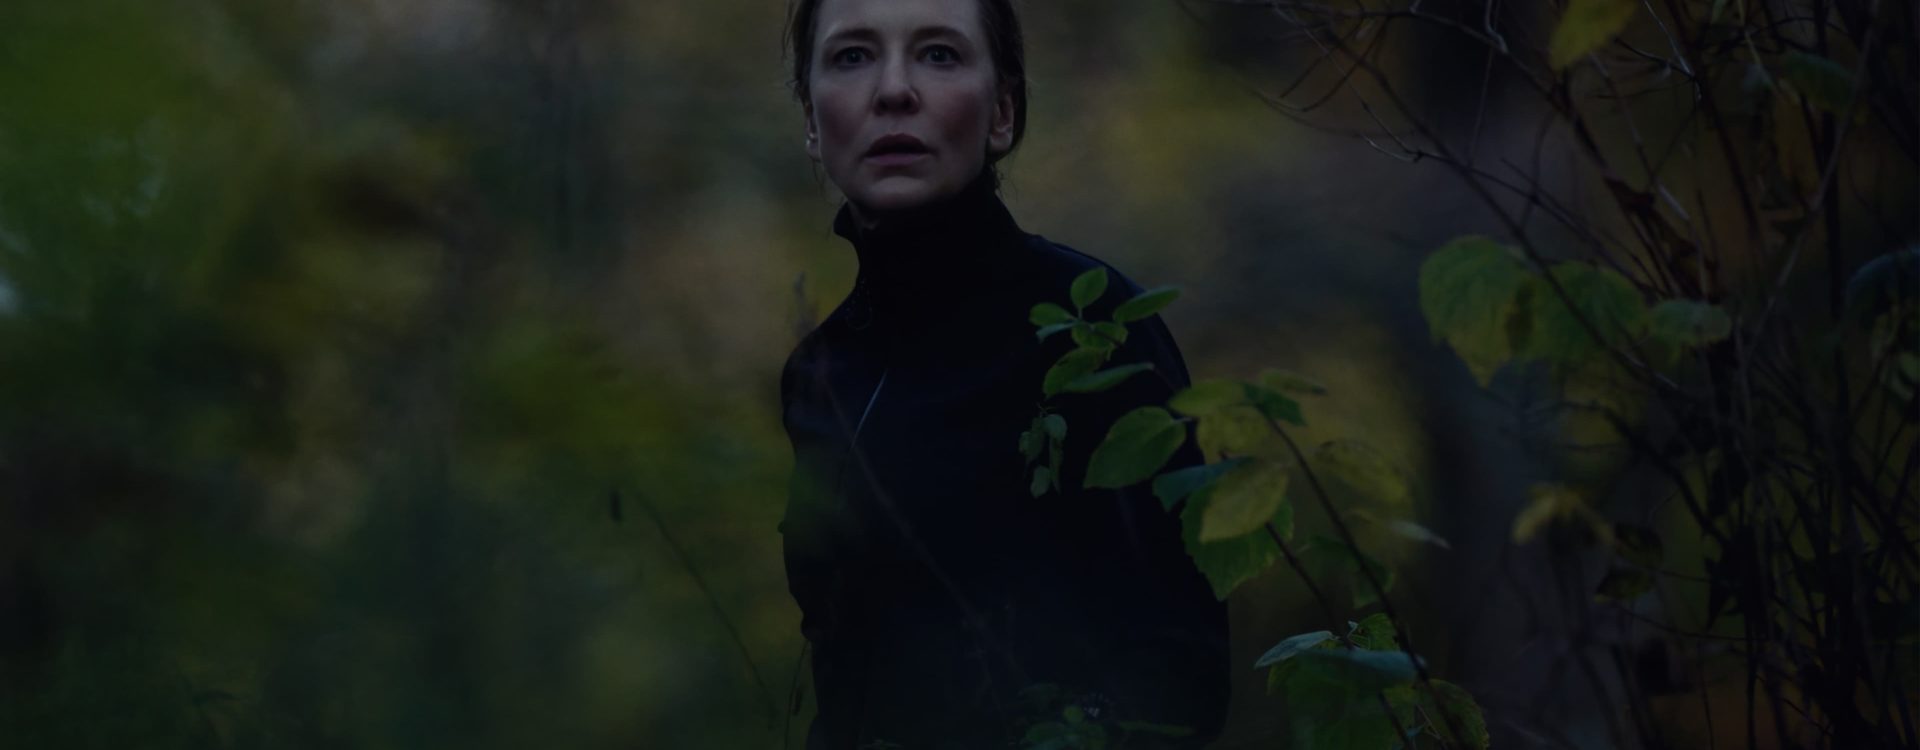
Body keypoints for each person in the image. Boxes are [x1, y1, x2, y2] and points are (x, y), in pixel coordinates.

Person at [776, 0, 1229, 747]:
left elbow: (1178, 676)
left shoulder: (1091, 329)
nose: (894, 90)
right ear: (812, 122)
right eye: (852, 55)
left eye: (939, 54)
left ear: (1003, 112)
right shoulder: (820, 373)